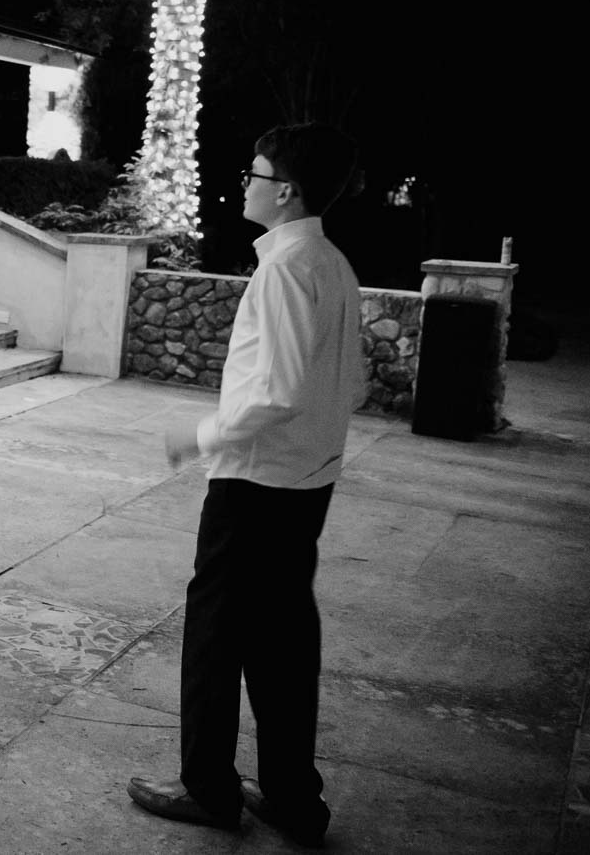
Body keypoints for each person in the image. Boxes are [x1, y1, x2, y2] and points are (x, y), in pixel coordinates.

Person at [127, 123, 365, 849]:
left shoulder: (287, 268)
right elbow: (348, 383)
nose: (246, 181)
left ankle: (209, 787)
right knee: (282, 642)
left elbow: (281, 388)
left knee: (216, 635)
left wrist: (197, 436)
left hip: (258, 484)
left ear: (285, 190)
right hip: (305, 482)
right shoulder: (332, 263)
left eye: (255, 172)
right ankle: (293, 798)